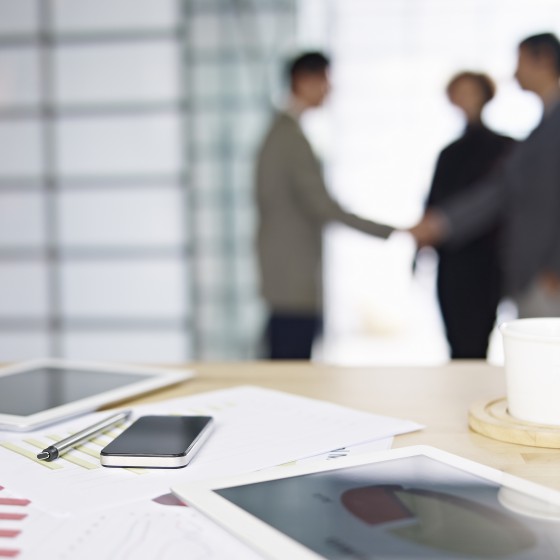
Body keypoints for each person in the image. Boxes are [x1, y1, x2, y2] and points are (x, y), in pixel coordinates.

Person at [409, 33, 560, 320]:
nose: (515, 72)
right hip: (527, 278)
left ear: (545, 60)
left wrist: (556, 268)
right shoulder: (538, 132)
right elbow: (500, 191)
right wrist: (440, 223)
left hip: (548, 280)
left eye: (521, 61)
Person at [255, 51, 394, 360]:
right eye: (325, 82)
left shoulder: (284, 133)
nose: (329, 91)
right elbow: (322, 205)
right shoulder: (289, 137)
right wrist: (392, 230)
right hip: (292, 277)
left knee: (287, 358)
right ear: (304, 81)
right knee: (291, 365)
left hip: (287, 274)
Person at [424, 71, 515, 358]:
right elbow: (433, 204)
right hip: (451, 262)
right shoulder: (449, 153)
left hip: (486, 261)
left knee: (474, 342)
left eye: (470, 91)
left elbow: (500, 204)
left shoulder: (506, 148)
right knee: (456, 342)